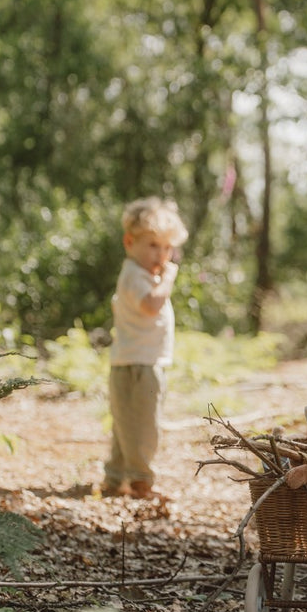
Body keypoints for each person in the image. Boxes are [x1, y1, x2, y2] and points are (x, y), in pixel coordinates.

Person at [99, 196, 189, 500]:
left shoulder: (145, 274)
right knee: (144, 428)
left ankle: (115, 479)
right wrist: (168, 281)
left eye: (167, 248)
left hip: (139, 361)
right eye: (152, 245)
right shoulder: (135, 276)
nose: (161, 255)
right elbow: (152, 306)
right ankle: (140, 480)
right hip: (139, 364)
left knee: (127, 426)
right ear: (129, 242)